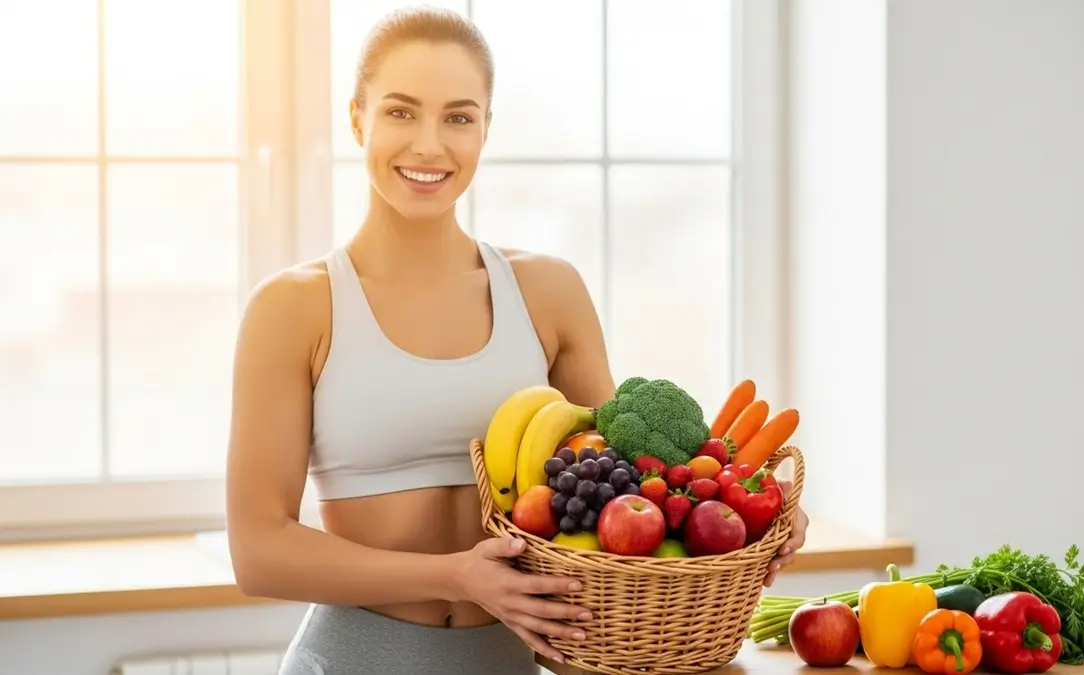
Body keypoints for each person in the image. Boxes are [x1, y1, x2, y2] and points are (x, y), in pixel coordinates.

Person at [225, 6, 809, 675]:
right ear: (357, 118)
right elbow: (259, 550)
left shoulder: (547, 292)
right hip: (354, 658)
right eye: (400, 112)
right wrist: (457, 575)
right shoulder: (294, 308)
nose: (429, 145)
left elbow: (634, 493)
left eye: (458, 116)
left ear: (485, 130)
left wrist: (757, 517)